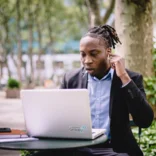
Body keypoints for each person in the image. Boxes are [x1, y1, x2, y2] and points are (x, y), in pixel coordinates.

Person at [31, 25, 154, 156]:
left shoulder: (129, 78)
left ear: (108, 52)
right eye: (83, 54)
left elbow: (145, 121)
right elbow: (59, 119)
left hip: (113, 150)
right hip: (77, 148)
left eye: (93, 54)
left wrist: (123, 77)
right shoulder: (71, 79)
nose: (87, 60)